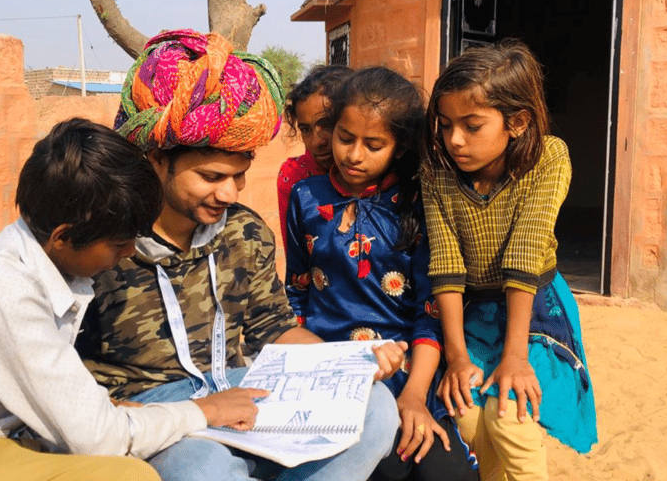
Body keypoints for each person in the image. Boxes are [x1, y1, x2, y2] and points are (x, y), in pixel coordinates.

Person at [76, 29, 404, 481]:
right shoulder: (104, 245)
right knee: (204, 468)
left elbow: (275, 328)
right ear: (155, 158)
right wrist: (129, 415)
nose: (229, 193)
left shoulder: (245, 231)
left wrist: (351, 363)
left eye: (240, 176)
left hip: (240, 385)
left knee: (377, 408)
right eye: (211, 176)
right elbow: (63, 376)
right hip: (156, 407)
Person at [0, 118, 230, 481]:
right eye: (118, 243)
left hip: (5, 438)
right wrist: (202, 412)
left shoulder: (43, 261)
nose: (130, 251)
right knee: (128, 477)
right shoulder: (5, 287)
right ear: (64, 237)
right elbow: (99, 440)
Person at [284, 66, 478, 481]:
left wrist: (414, 398)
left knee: (445, 474)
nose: (354, 155)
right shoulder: (304, 199)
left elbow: (430, 312)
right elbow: (297, 293)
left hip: (409, 369)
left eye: (373, 145)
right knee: (384, 468)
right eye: (344, 138)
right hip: (329, 368)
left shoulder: (417, 203)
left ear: (398, 146)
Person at [420, 39, 598, 481]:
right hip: (470, 311)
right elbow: (445, 262)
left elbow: (526, 253)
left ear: (517, 122)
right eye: (445, 125)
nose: (454, 140)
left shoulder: (547, 157)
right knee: (467, 417)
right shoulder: (438, 171)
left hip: (533, 306)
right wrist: (457, 356)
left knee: (510, 415)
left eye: (471, 125)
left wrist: (516, 356)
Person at [277, 64, 353, 249]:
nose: (316, 142)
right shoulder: (294, 177)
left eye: (327, 124)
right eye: (305, 129)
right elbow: (296, 257)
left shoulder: (385, 169)